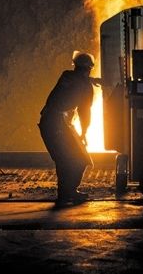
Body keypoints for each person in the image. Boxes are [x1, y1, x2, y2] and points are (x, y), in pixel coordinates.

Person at [38, 51, 98, 206]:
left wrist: (90, 80)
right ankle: (68, 192)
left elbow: (74, 79)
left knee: (63, 159)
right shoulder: (86, 87)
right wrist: (84, 132)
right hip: (58, 123)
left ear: (75, 65)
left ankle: (65, 193)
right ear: (89, 69)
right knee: (79, 158)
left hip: (47, 122)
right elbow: (85, 112)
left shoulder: (66, 75)